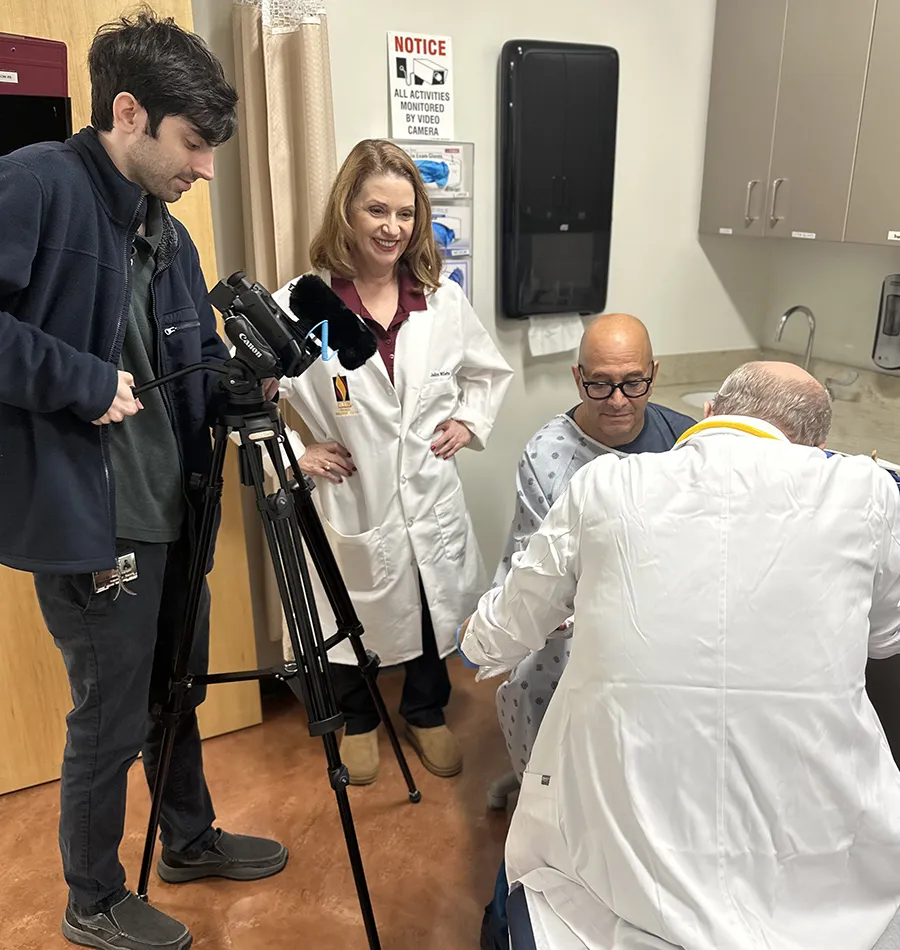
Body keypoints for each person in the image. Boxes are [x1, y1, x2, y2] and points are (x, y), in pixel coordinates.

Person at [0, 14, 286, 950]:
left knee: (176, 688)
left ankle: (188, 839)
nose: (205, 168)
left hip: (172, 508)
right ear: (128, 113)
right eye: (193, 143)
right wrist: (82, 382)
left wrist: (242, 386)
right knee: (110, 716)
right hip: (94, 518)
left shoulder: (166, 230)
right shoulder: (36, 183)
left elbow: (191, 357)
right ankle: (91, 898)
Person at [462, 361, 900, 950]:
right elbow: (885, 637)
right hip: (823, 887)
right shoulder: (867, 490)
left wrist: (474, 640)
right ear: (814, 445)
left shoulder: (604, 484)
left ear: (709, 414)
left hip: (620, 872)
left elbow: (507, 627)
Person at [272, 139, 513, 785]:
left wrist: (468, 421)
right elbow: (245, 394)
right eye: (377, 210)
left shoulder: (440, 301)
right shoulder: (302, 303)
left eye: (405, 214)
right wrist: (298, 452)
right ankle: (358, 721)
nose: (392, 228)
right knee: (348, 608)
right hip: (354, 492)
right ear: (346, 211)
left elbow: (488, 373)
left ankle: (425, 712)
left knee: (432, 604)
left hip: (430, 493)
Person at [480, 312, 694, 950]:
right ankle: (542, 798)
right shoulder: (549, 454)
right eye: (600, 384)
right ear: (578, 378)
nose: (618, 400)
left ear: (653, 375)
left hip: (662, 607)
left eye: (633, 383)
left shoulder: (685, 440)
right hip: (568, 608)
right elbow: (538, 573)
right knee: (534, 683)